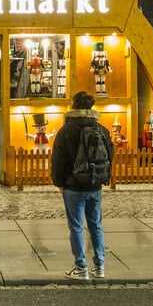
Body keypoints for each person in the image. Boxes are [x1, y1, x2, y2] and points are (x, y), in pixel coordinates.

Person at [50, 90, 114, 280]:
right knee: (96, 225)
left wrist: (59, 183)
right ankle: (100, 266)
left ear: (74, 105)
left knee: (76, 226)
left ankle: (80, 267)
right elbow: (110, 155)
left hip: (73, 186)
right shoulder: (101, 129)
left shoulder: (67, 130)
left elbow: (58, 160)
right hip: (95, 185)